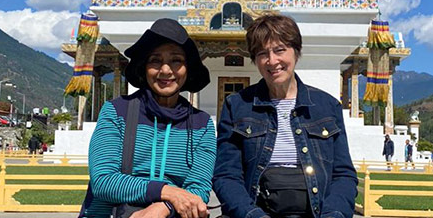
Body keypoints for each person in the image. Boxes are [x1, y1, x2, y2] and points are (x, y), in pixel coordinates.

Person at [213, 14, 357, 218]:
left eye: (280, 50)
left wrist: (333, 214)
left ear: (296, 52)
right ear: (255, 60)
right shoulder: (236, 106)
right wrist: (252, 214)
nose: (272, 61)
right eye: (262, 53)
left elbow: (343, 175)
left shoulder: (327, 106)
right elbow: (227, 175)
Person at [81, 18, 216, 218]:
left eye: (176, 60)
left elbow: (199, 188)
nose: (166, 70)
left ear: (188, 69)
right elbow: (103, 180)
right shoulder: (116, 112)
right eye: (155, 60)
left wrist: (163, 207)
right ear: (144, 67)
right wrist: (167, 192)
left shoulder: (201, 124)